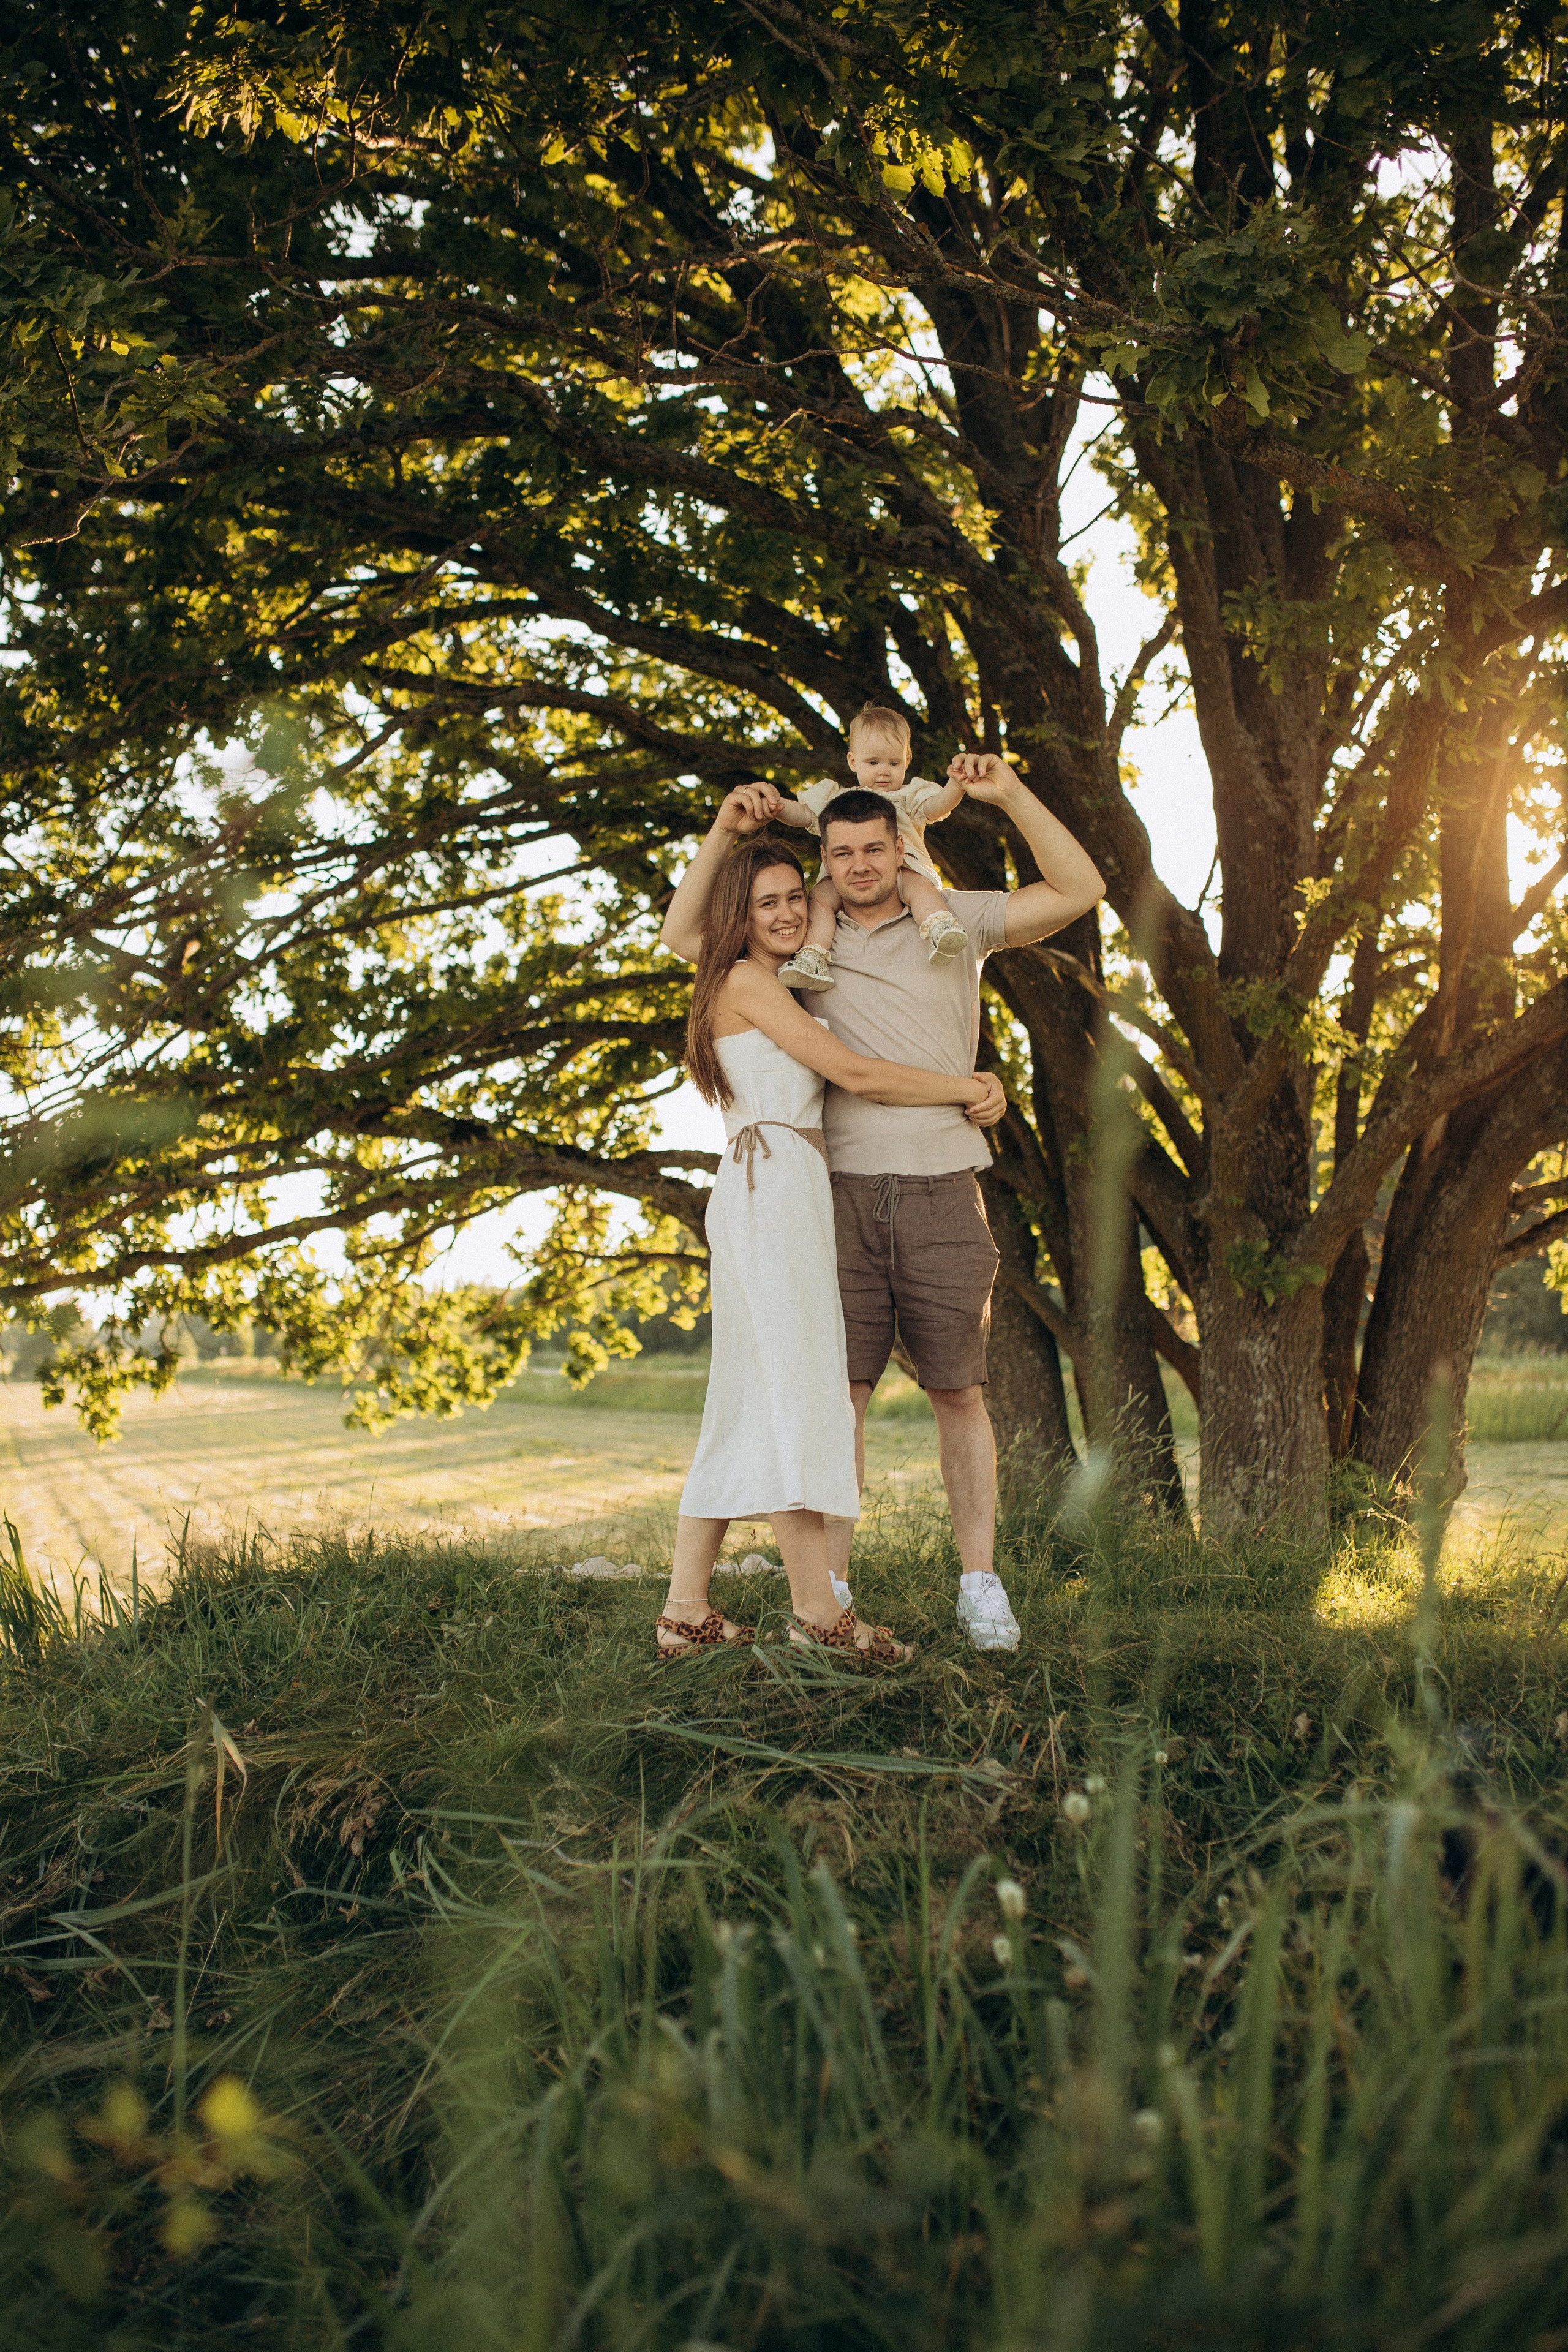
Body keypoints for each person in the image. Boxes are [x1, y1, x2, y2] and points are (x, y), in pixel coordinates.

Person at [666, 745, 1104, 1654]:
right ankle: (826, 1594)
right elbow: (688, 938)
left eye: (875, 849)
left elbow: (1079, 889)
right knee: (835, 1395)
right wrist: (726, 831)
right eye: (839, 854)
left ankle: (978, 1585)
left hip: (941, 1183)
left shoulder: (953, 923)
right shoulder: (791, 956)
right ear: (822, 857)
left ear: (902, 843)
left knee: (958, 1392)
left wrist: (1013, 793)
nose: (858, 867)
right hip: (826, 1194)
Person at [653, 810, 1006, 1662]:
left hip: (768, 1182)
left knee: (750, 1397)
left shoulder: (750, 979)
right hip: (776, 1187)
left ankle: (684, 1608)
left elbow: (679, 931)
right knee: (793, 1399)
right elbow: (851, 1072)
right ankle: (820, 1613)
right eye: (764, 902)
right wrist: (964, 1086)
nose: (782, 914)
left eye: (790, 900)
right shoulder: (747, 981)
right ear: (737, 914)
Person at [769, 704, 969, 988]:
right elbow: (805, 815)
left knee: (921, 889)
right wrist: (775, 806)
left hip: (906, 868)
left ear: (907, 759)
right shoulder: (838, 800)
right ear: (853, 761)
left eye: (893, 763)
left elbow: (936, 807)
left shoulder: (907, 796)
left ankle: (940, 927)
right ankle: (813, 957)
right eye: (873, 763)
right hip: (847, 879)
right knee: (820, 900)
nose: (883, 772)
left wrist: (957, 786)